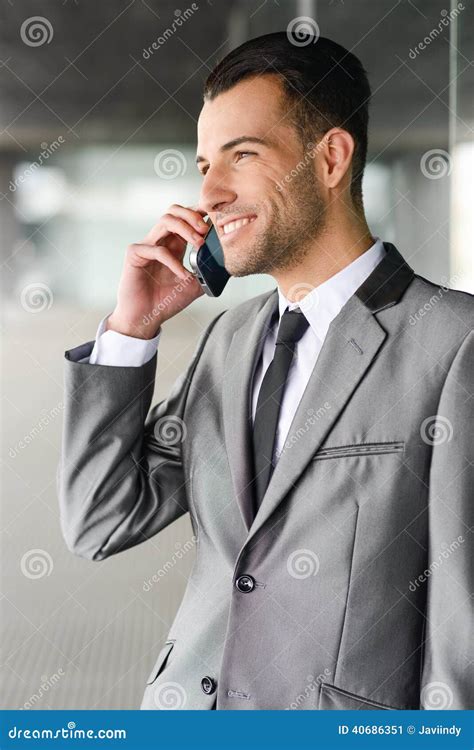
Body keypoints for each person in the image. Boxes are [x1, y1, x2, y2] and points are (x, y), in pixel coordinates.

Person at [58, 32, 473, 710]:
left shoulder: (454, 342)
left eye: (242, 156)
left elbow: (463, 633)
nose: (212, 192)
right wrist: (132, 331)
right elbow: (101, 520)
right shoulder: (229, 339)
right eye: (203, 166)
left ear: (331, 158)